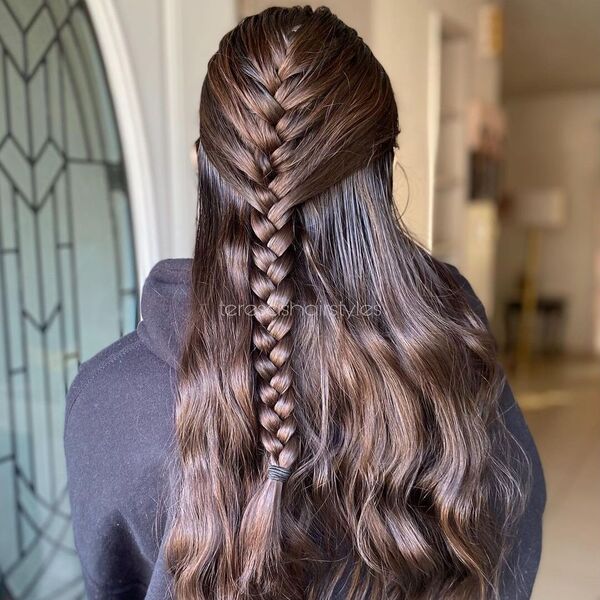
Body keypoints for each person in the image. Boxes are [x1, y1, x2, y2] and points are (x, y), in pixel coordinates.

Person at [64, 6, 545, 600]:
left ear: (203, 165)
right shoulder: (457, 369)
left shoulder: (108, 401)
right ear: (383, 171)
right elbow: (511, 552)